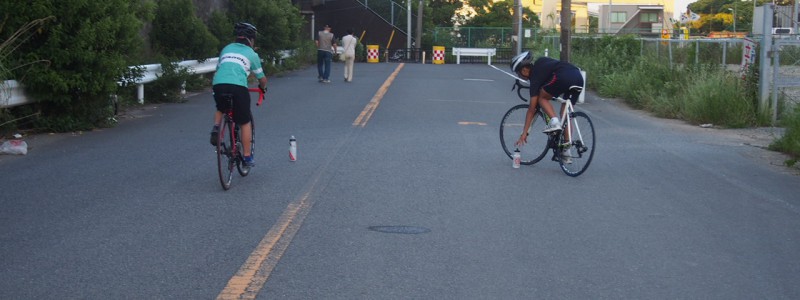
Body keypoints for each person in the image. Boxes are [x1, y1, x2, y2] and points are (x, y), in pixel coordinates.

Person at [210, 22, 268, 167]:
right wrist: (263, 88)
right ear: (251, 39)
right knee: (244, 121)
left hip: (219, 83)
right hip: (237, 86)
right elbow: (262, 78)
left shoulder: (226, 48)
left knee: (221, 107)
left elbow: (219, 68)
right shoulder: (251, 54)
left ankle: (216, 128)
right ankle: (247, 157)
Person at [511, 51, 584, 162]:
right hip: (578, 77)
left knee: (542, 98)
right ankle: (566, 151)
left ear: (524, 70)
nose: (519, 75)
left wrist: (524, 133)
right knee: (566, 115)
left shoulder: (535, 77)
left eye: (518, 73)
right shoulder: (542, 62)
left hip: (563, 76)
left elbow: (532, 109)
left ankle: (554, 122)